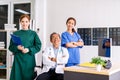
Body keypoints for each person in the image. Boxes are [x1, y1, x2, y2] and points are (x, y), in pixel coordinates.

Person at [9, 14, 42, 80]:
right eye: (23, 21)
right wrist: (17, 48)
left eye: (26, 21)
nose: (24, 23)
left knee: (28, 77)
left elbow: (38, 46)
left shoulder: (33, 33)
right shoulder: (16, 33)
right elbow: (11, 47)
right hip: (18, 59)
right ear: (20, 22)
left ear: (29, 22)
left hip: (29, 60)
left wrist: (29, 49)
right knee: (17, 77)